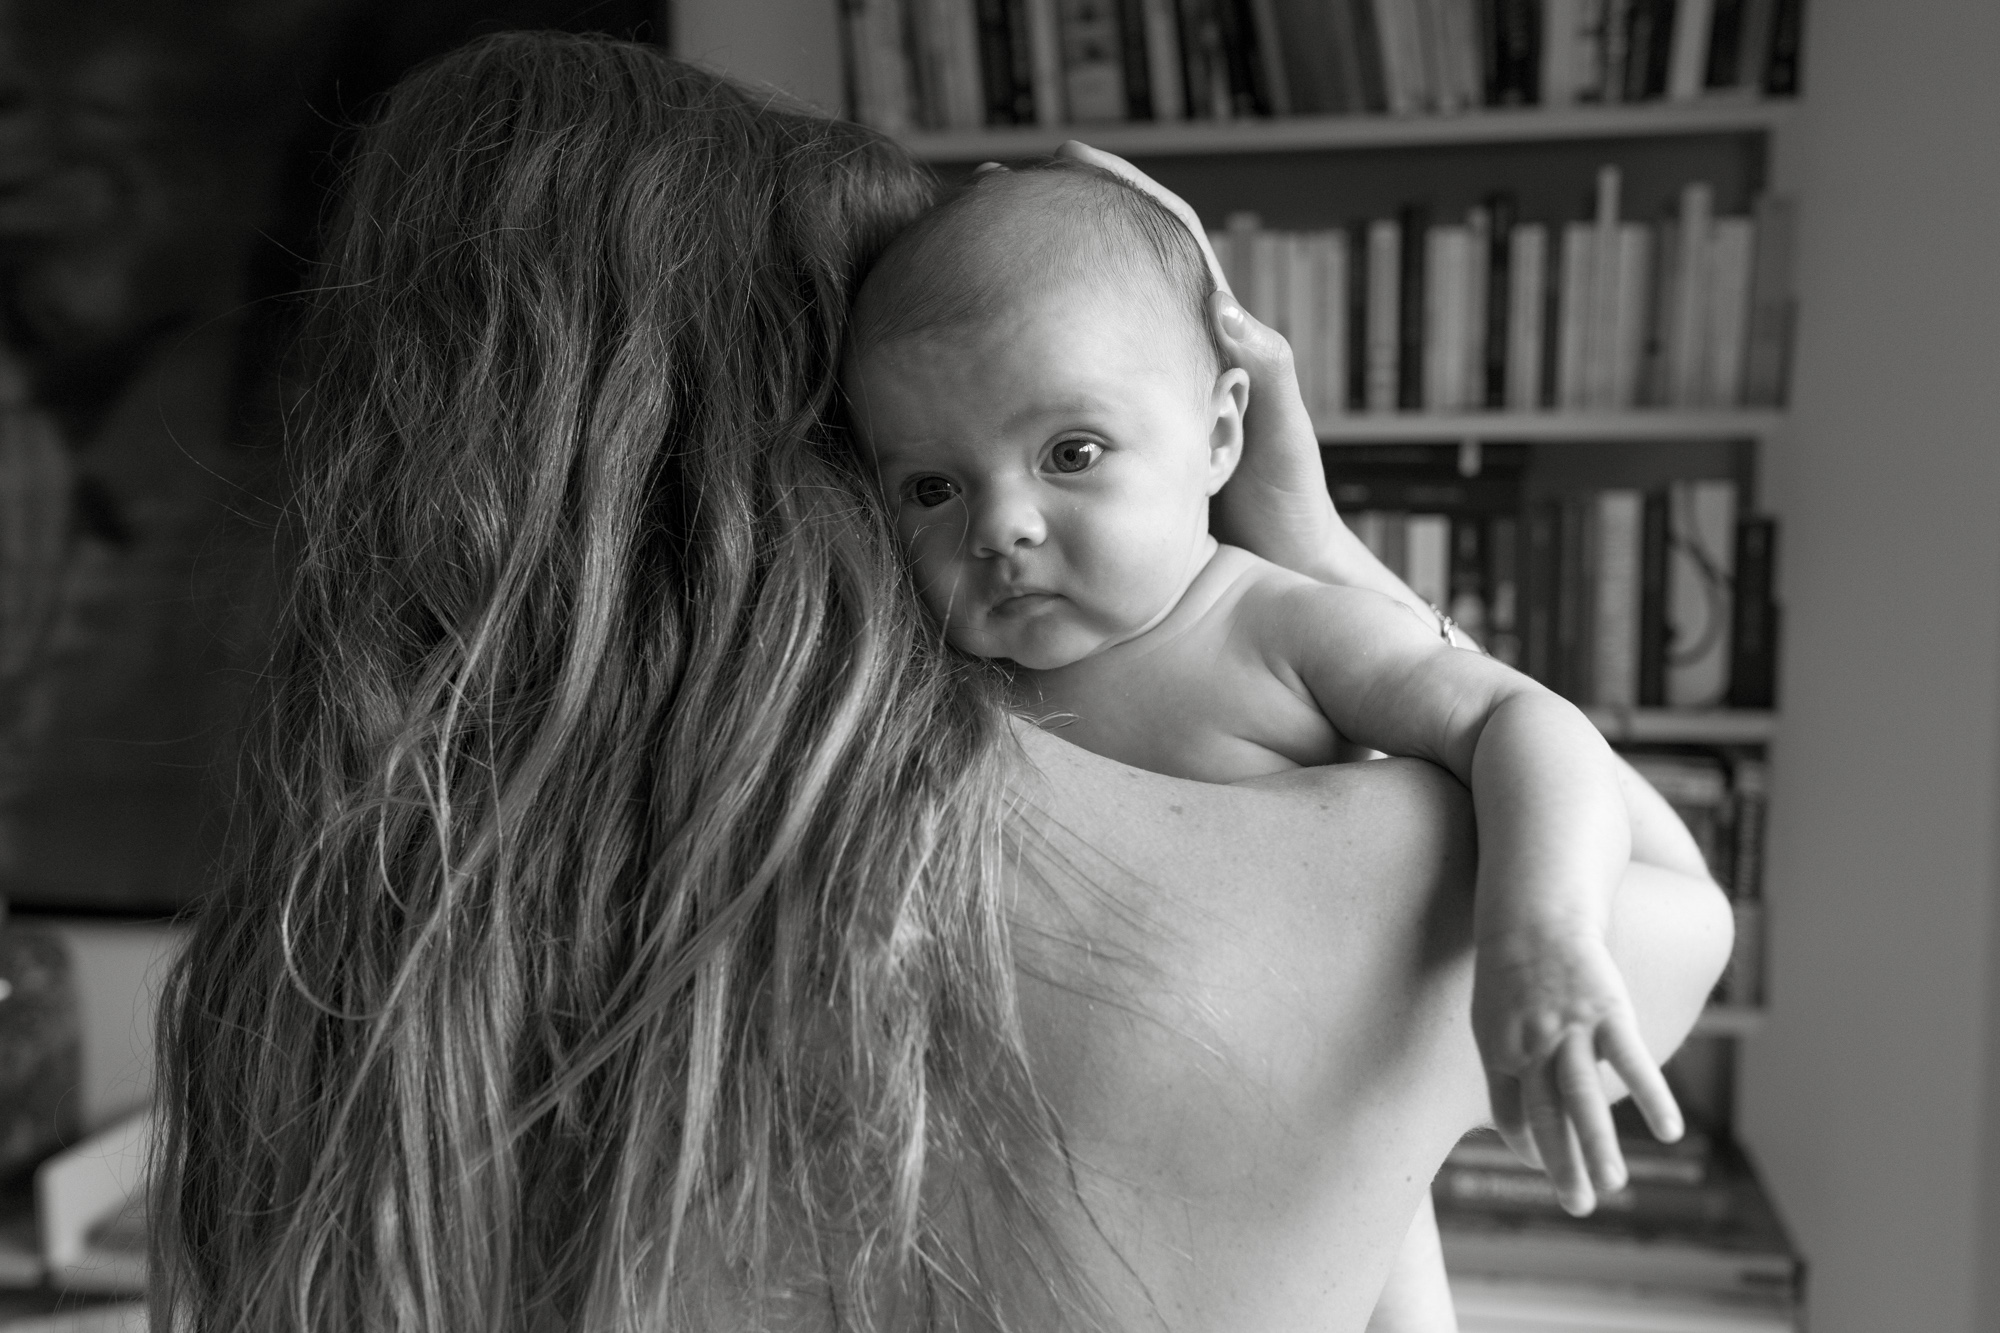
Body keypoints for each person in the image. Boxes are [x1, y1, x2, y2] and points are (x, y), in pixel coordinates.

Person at [150, 31, 1731, 1333]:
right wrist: (1302, 529)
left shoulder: (320, 970)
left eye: (1069, 446)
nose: (1009, 516)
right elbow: (1675, 902)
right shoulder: (1344, 871)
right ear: (837, 434)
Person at [842, 158, 1684, 1218]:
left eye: (1071, 451)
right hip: (1060, 1164)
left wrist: (1539, 932)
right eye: (931, 486)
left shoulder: (1269, 624)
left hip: (1306, 1150)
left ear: (1222, 435)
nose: (997, 524)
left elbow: (1515, 717)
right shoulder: (946, 682)